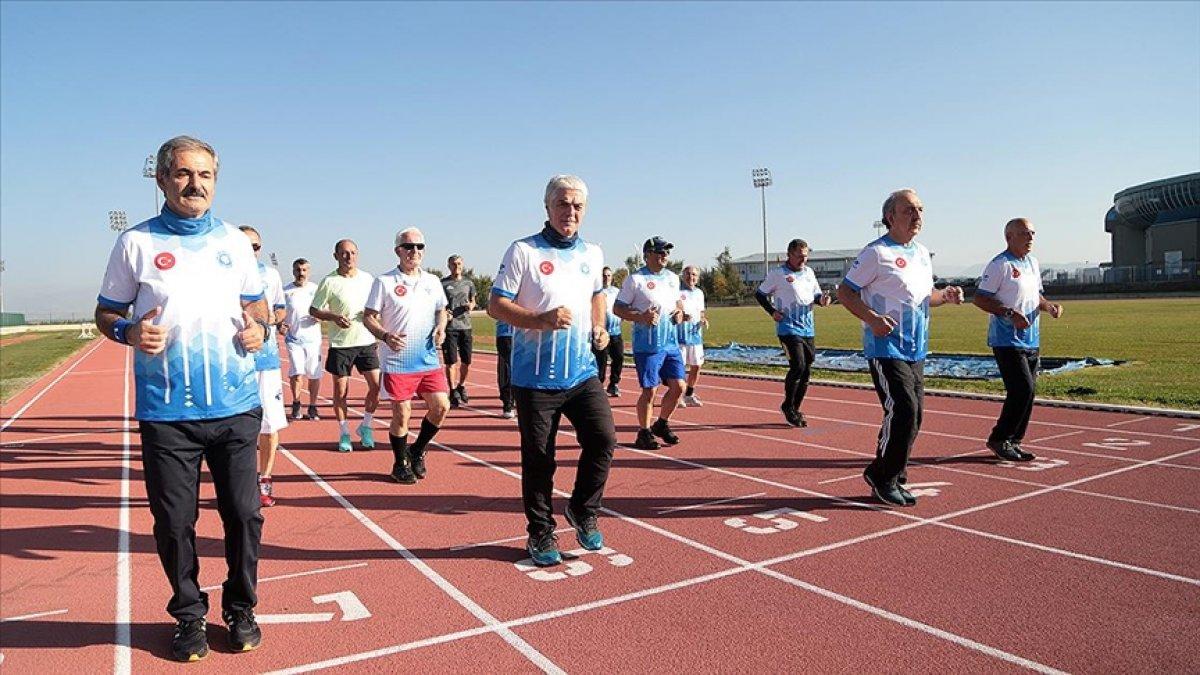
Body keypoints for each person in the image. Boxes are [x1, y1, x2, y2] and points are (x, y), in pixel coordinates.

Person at [94, 135, 266, 660]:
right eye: (184, 174)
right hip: (167, 411)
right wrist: (128, 331)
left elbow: (258, 308)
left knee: (245, 514)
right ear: (163, 178)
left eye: (205, 175)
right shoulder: (135, 243)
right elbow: (106, 312)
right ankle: (189, 614)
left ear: (216, 180)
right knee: (174, 523)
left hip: (236, 404)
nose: (196, 184)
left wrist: (260, 330)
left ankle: (241, 608)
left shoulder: (235, 241)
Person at [487, 174, 617, 567]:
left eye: (577, 205)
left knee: (603, 439)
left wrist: (599, 325)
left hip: (581, 373)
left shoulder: (592, 253)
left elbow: (596, 295)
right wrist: (540, 320)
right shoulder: (523, 251)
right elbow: (496, 304)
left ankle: (582, 509)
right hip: (534, 378)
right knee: (540, 460)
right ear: (547, 207)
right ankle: (540, 531)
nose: (570, 212)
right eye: (562, 203)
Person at [837, 189, 963, 507]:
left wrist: (945, 296)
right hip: (885, 346)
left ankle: (888, 473)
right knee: (903, 409)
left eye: (920, 209)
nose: (917, 215)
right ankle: (884, 476)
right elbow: (845, 292)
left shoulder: (921, 253)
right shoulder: (875, 253)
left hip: (916, 347)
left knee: (914, 415)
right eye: (909, 210)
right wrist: (872, 319)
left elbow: (926, 295)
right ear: (890, 217)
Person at [364, 227, 451, 483]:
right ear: (398, 251)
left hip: (428, 358)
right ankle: (400, 463)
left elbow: (441, 310)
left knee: (441, 407)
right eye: (409, 246)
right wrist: (385, 336)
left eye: (419, 246)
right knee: (402, 414)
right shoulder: (384, 282)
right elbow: (368, 317)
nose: (414, 251)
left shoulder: (432, 281)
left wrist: (441, 327)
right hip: (398, 360)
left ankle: (417, 450)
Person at [973, 218, 1064, 462]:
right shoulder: (999, 265)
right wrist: (1009, 313)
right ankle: (999, 438)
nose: (1030, 237)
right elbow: (980, 299)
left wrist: (1049, 306)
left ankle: (1013, 441)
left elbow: (1037, 296)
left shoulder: (1033, 263)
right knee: (1022, 389)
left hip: (1031, 339)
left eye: (1032, 233)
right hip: (1006, 340)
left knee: (1029, 392)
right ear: (1009, 237)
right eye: (1024, 233)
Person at [614, 237, 687, 450]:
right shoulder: (635, 279)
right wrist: (641, 317)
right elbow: (618, 308)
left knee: (679, 387)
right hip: (648, 346)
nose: (665, 256)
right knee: (650, 390)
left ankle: (661, 424)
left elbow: (677, 302)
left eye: (667, 252)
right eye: (660, 252)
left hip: (670, 344)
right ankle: (644, 432)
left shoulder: (672, 278)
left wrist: (680, 312)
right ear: (648, 255)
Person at [309, 240, 380, 452]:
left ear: (357, 254)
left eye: (352, 253)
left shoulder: (368, 279)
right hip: (341, 344)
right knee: (341, 392)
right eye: (344, 253)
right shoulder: (329, 281)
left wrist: (373, 315)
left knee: (376, 386)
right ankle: (344, 432)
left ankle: (366, 426)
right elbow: (314, 310)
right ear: (336, 256)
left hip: (366, 341)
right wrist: (333, 317)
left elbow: (376, 306)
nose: (349, 257)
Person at [755, 239, 833, 427]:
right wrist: (772, 311)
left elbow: (815, 295)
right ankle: (788, 405)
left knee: (806, 369)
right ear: (789, 254)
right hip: (788, 327)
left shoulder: (809, 273)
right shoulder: (778, 274)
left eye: (805, 256)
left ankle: (795, 408)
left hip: (808, 327)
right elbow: (760, 294)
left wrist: (823, 300)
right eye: (799, 256)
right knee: (798, 365)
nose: (802, 260)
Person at [239, 226, 288, 508]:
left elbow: (281, 308)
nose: (251, 251)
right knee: (234, 428)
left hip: (266, 362)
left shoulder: (270, 275)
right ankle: (240, 483)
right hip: (233, 361)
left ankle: (265, 479)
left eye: (255, 247)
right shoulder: (220, 273)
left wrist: (269, 318)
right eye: (245, 246)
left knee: (268, 425)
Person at [282, 258, 323, 421]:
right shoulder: (286, 291)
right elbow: (280, 313)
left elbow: (324, 309)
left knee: (313, 373)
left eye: (304, 270)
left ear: (309, 272)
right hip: (294, 339)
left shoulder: (316, 289)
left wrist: (321, 317)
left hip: (313, 340)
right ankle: (296, 403)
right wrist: (281, 325)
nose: (301, 273)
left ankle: (313, 406)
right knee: (297, 372)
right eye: (298, 270)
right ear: (293, 271)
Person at [441, 254, 476, 407]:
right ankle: (452, 390)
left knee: (466, 361)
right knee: (451, 362)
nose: (457, 267)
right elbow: (439, 304)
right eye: (454, 264)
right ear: (449, 266)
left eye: (459, 264)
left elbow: (473, 300)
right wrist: (445, 313)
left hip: (466, 326)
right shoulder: (443, 284)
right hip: (450, 328)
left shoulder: (469, 283)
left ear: (463, 265)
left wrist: (471, 306)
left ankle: (461, 385)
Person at [677, 264, 709, 407]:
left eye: (694, 274)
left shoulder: (699, 293)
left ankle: (689, 394)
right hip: (680, 337)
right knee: (680, 369)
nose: (691, 277)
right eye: (688, 274)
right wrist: (682, 316)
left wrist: (703, 319)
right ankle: (677, 396)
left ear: (698, 277)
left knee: (697, 366)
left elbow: (701, 312)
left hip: (695, 336)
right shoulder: (677, 292)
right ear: (683, 276)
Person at [592, 266, 625, 397]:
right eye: (604, 275)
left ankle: (614, 384)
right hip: (601, 332)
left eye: (609, 275)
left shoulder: (617, 292)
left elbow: (622, 307)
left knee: (619, 357)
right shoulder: (595, 292)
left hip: (615, 331)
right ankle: (599, 385)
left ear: (612, 277)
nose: (606, 278)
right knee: (601, 360)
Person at [495, 319, 516, 418]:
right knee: (506, 370)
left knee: (525, 369)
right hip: (506, 334)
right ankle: (508, 403)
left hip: (525, 335)